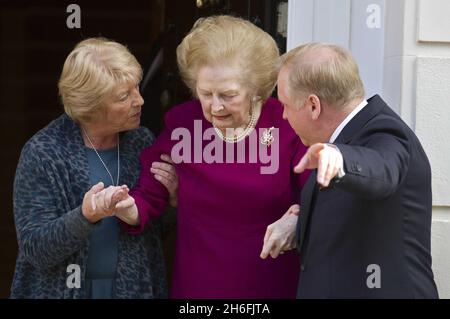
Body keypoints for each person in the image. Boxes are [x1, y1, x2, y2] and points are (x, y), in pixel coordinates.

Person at [97, 15, 310, 298]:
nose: (215, 106)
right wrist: (126, 207)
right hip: (199, 287)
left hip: (271, 284)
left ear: (256, 89)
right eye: (205, 93)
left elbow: (318, 195)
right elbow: (148, 196)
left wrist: (299, 217)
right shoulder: (183, 124)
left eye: (228, 95)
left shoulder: (285, 123)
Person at [11, 38, 178, 299]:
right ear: (90, 107)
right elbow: (36, 249)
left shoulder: (143, 142)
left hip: (131, 290)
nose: (140, 101)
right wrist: (85, 216)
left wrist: (174, 201)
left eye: (136, 88)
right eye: (125, 96)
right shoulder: (44, 152)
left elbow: (154, 232)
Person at [274, 42, 439, 298]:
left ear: (313, 106)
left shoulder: (387, 133)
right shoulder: (343, 137)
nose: (283, 116)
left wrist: (340, 159)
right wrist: (300, 222)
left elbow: (382, 170)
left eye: (285, 104)